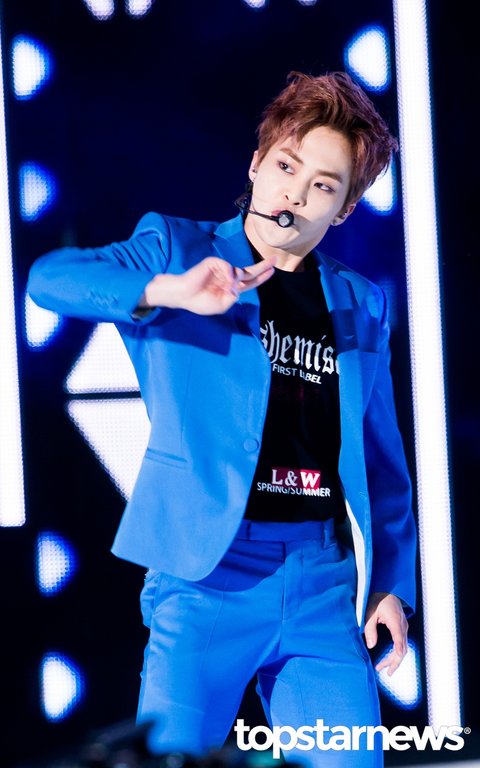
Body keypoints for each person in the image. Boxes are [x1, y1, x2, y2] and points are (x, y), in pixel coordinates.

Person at [28, 71, 417, 767]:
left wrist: (390, 581)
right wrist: (169, 291)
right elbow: (48, 280)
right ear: (257, 164)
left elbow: (382, 458)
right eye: (286, 167)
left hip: (322, 582)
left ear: (345, 210)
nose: (295, 193)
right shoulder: (179, 249)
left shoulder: (360, 302)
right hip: (206, 575)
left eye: (323, 185)